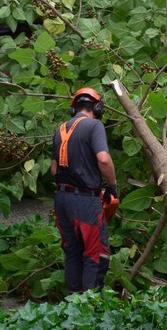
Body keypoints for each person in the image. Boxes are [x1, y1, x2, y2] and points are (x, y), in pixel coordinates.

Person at [50, 87, 118, 293]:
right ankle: (91, 308)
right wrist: (112, 184)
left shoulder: (60, 130)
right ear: (97, 107)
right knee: (95, 255)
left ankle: (73, 304)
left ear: (74, 108)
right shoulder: (94, 126)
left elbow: (54, 170)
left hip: (62, 199)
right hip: (85, 201)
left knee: (73, 253)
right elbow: (104, 159)